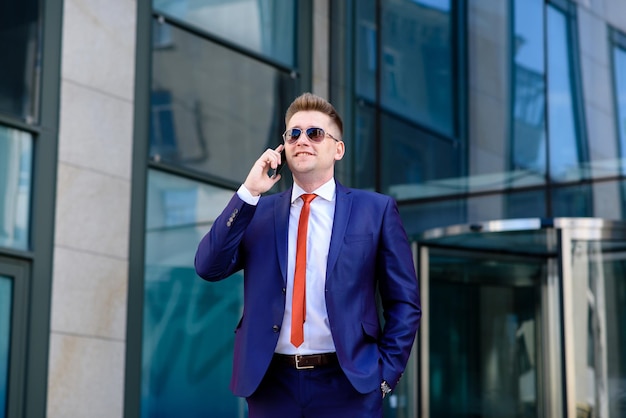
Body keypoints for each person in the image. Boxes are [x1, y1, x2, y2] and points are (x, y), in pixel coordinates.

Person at [195, 92, 421, 417]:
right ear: (283, 147)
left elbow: (404, 302)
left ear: (337, 149)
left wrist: (385, 375)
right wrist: (248, 192)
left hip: (348, 385)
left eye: (315, 133)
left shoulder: (376, 210)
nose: (302, 140)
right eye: (293, 134)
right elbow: (208, 266)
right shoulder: (258, 211)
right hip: (271, 385)